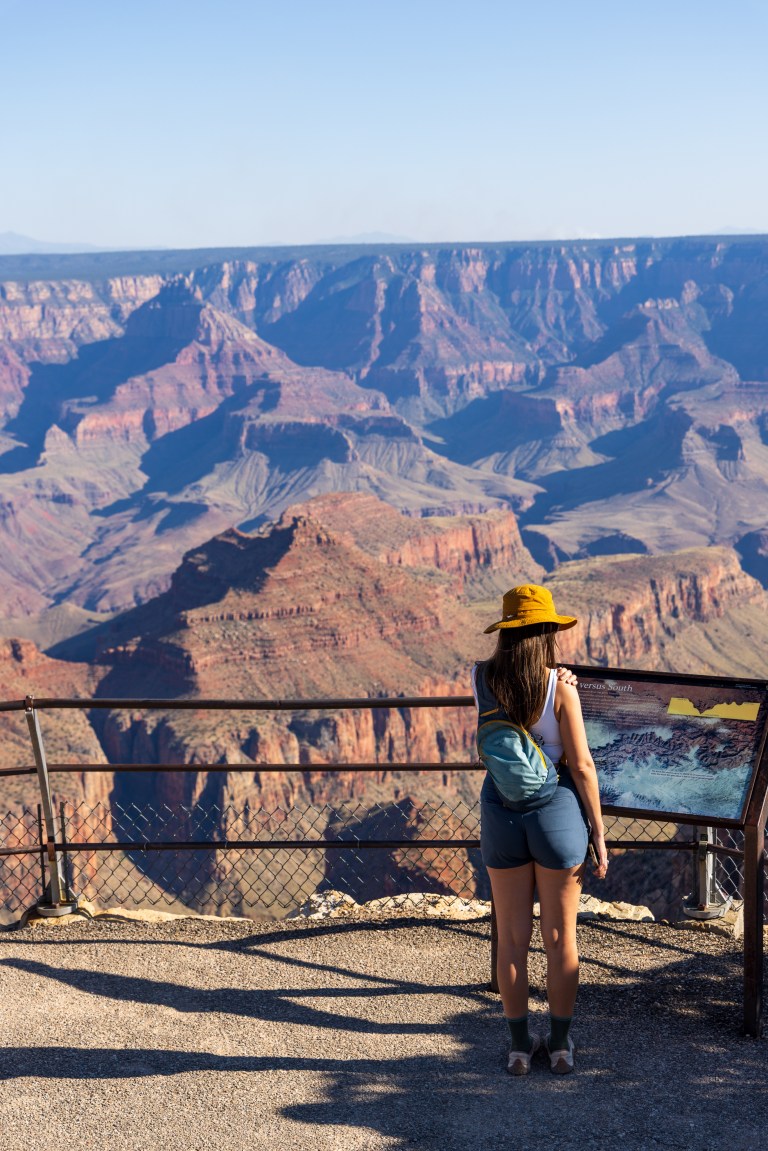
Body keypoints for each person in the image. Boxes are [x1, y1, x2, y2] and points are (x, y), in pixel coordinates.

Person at [473, 584, 608, 1075]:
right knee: (559, 937)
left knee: (510, 938)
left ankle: (515, 1047)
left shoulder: (481, 677)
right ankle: (559, 1045)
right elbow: (583, 765)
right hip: (556, 815)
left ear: (507, 632)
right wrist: (598, 830)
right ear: (548, 632)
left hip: (500, 809)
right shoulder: (561, 687)